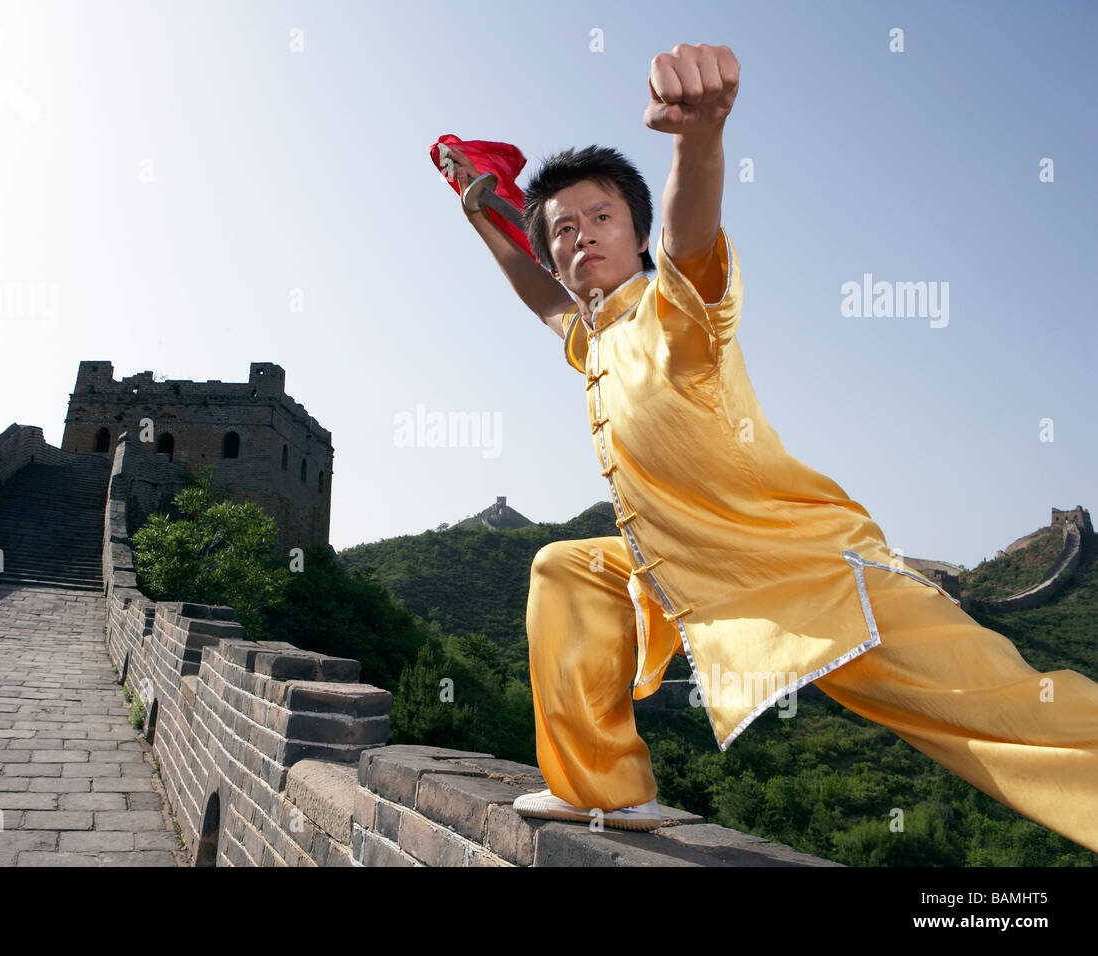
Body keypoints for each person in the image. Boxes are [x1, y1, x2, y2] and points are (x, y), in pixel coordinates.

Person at [442, 42, 1098, 849]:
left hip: (804, 572)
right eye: (565, 230)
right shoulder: (593, 336)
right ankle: (601, 786)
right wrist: (484, 218)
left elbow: (691, 236)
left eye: (602, 217)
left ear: (638, 233)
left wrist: (698, 138)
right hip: (681, 569)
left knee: (1003, 709)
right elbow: (538, 292)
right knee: (568, 571)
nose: (583, 238)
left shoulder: (673, 309)